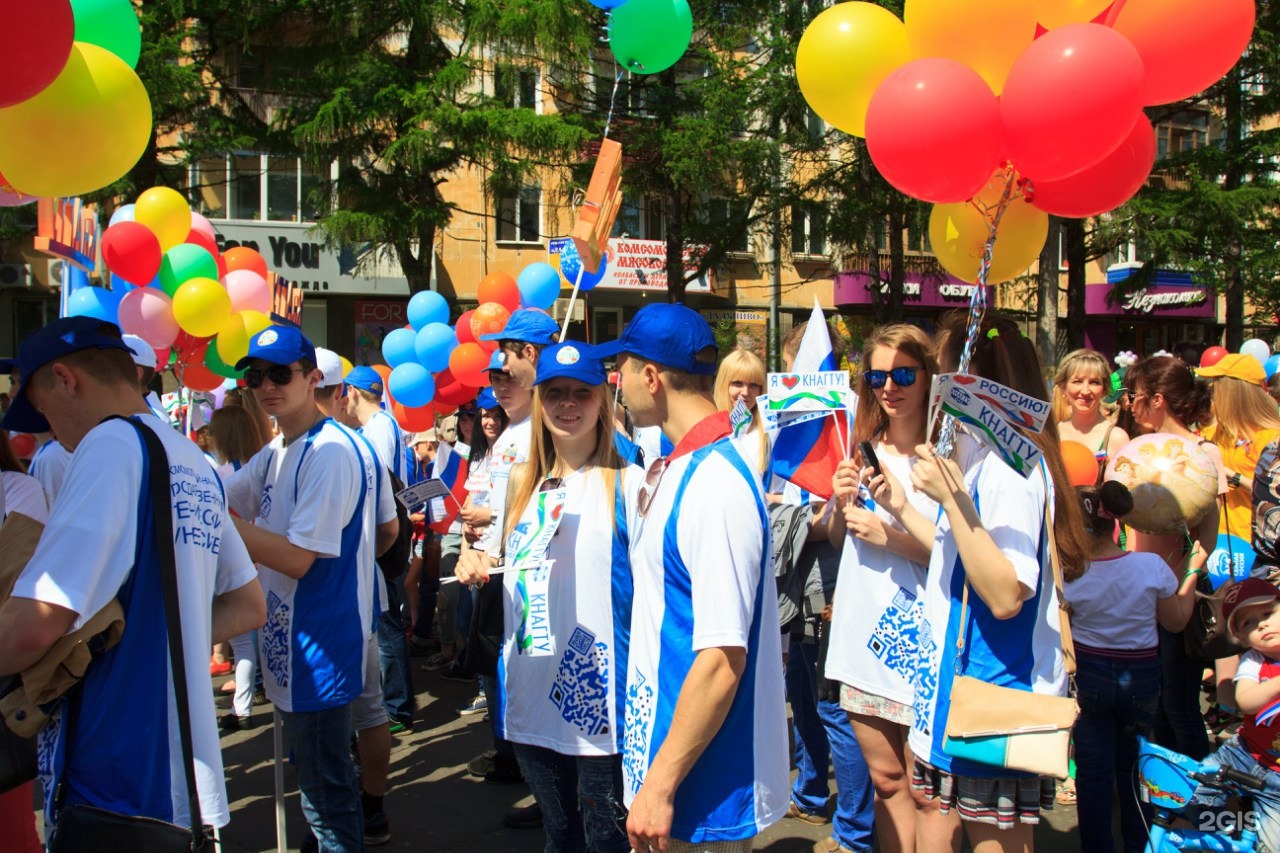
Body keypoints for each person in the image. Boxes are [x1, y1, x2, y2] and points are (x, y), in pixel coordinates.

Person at [0, 316, 265, 838]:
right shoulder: (188, 456)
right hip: (183, 777)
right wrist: (160, 642)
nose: (46, 427)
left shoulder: (108, 446)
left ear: (66, 378)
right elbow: (247, 603)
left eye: (41, 406)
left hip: (114, 770)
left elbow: (38, 619)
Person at [867, 312, 1090, 852]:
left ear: (972, 383)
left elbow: (1006, 592)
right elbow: (959, 554)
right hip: (961, 689)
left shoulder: (1012, 466)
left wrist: (952, 499)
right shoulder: (983, 457)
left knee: (996, 844)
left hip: (995, 692)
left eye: (941, 376)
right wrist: (900, 506)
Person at [599, 303, 789, 851]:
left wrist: (659, 785)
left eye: (624, 369)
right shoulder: (685, 467)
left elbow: (722, 660)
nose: (619, 383)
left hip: (699, 794)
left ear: (652, 377)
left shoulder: (715, 483)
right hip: (672, 775)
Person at [456, 341, 642, 853]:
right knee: (560, 836)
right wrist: (470, 560)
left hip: (599, 696)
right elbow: (491, 556)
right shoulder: (520, 481)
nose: (567, 404)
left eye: (581, 393)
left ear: (602, 400)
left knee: (606, 837)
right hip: (530, 687)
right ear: (538, 401)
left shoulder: (632, 484)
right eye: (554, 392)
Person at [226, 325, 398, 852]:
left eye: (281, 374)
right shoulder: (280, 447)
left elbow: (299, 559)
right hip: (291, 637)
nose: (267, 386)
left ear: (312, 378)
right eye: (256, 376)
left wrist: (221, 525)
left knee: (327, 791)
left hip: (321, 642)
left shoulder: (331, 451)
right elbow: (230, 496)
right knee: (317, 783)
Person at [827, 324, 959, 853]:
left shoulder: (949, 458)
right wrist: (839, 510)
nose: (889, 387)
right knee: (886, 783)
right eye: (877, 375)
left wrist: (893, 536)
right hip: (864, 639)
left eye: (903, 373)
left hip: (928, 640)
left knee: (928, 791)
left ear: (929, 377)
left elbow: (964, 561)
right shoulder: (861, 452)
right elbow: (844, 543)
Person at [1063, 480, 1198, 853]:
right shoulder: (1151, 566)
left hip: (1089, 676)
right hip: (1140, 679)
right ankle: (1139, 844)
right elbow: (1175, 621)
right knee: (1135, 765)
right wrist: (1191, 572)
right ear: (1117, 523)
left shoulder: (1069, 575)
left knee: (1093, 772)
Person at [1122, 355, 1222, 760]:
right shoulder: (1136, 450)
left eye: (1135, 395)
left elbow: (1208, 538)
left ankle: (1201, 797)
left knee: (1180, 704)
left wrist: (1186, 582)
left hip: (1179, 592)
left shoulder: (1203, 453)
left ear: (1158, 399)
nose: (1129, 403)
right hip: (1140, 589)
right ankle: (1163, 792)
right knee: (1154, 703)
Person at [345, 365, 416, 736]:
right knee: (386, 620)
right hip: (384, 533)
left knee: (388, 622)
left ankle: (398, 706)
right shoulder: (377, 426)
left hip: (385, 536)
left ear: (354, 393)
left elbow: (379, 486)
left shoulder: (378, 428)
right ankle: (396, 703)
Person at [1194, 578, 1280, 853]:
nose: (1262, 624)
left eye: (1267, 614)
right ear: (1242, 639)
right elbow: (1245, 700)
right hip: (1242, 754)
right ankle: (1231, 835)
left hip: (1278, 779)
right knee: (1195, 794)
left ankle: (1253, 832)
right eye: (1248, 624)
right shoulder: (1254, 660)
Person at [208, 404, 270, 732]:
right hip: (267, 560)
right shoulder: (262, 469)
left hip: (234, 566)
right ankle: (245, 704)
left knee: (243, 643)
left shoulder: (218, 476)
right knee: (254, 640)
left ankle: (242, 707)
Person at [1053, 348, 1130, 481]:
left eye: (1094, 382)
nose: (1085, 390)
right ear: (1063, 387)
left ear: (1104, 389)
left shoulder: (1117, 438)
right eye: (1077, 381)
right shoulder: (1052, 435)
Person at [713, 348, 769, 479]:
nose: (745, 392)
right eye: (737, 383)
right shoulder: (706, 431)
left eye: (753, 385)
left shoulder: (770, 435)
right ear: (724, 384)